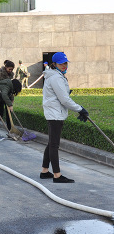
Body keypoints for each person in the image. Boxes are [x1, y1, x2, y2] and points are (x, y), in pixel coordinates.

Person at [40, 52, 88, 183]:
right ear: (54, 64)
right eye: (61, 63)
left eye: (65, 63)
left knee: (51, 143)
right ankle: (57, 175)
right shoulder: (56, 77)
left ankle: (44, 171)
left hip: (54, 112)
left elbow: (61, 95)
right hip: (55, 114)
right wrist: (80, 109)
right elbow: (64, 100)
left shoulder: (56, 75)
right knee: (54, 145)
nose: (64, 65)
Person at [0, 60, 15, 131]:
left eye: (12, 69)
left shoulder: (11, 75)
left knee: (9, 114)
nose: (10, 70)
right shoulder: (0, 75)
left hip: (8, 96)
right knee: (0, 113)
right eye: (9, 69)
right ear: (6, 67)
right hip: (0, 96)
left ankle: (10, 129)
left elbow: (11, 88)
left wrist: (11, 98)